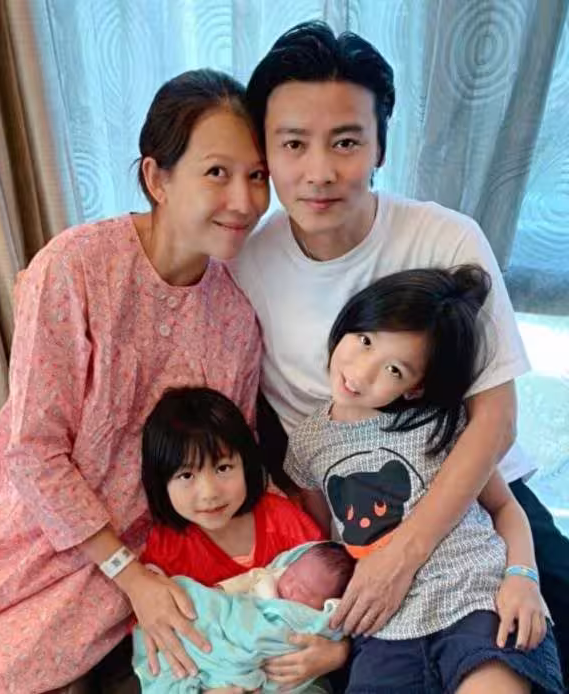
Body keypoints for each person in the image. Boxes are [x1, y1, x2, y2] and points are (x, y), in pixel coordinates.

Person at [231, 20, 569, 681]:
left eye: (346, 142)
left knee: (544, 625)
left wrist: (405, 555)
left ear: (381, 147)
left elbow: (495, 421)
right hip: (351, 513)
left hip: (473, 488)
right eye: (293, 144)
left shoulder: (445, 238)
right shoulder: (243, 266)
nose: (320, 172)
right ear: (265, 152)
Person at [0, 68, 270, 693]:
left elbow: (230, 464)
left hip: (143, 558)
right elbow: (33, 452)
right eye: (217, 172)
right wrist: (127, 574)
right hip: (30, 529)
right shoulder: (74, 268)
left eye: (257, 176)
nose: (245, 200)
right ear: (157, 178)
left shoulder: (237, 319)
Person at [284, 265, 564, 693]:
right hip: (382, 628)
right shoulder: (307, 444)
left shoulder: (443, 424)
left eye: (394, 370)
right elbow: (324, 543)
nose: (361, 372)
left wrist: (523, 577)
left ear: (416, 387)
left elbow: (506, 506)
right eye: (364, 341)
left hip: (476, 601)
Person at [137, 387, 351, 692]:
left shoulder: (284, 522)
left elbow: (339, 600)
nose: (210, 492)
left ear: (246, 464)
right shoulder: (167, 550)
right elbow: (159, 646)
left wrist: (337, 654)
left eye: (223, 468)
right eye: (186, 475)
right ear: (160, 482)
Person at [219, 540, 355, 609]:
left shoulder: (312, 618)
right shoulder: (271, 577)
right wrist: (222, 589)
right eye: (290, 575)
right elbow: (248, 579)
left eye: (302, 591)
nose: (289, 588)